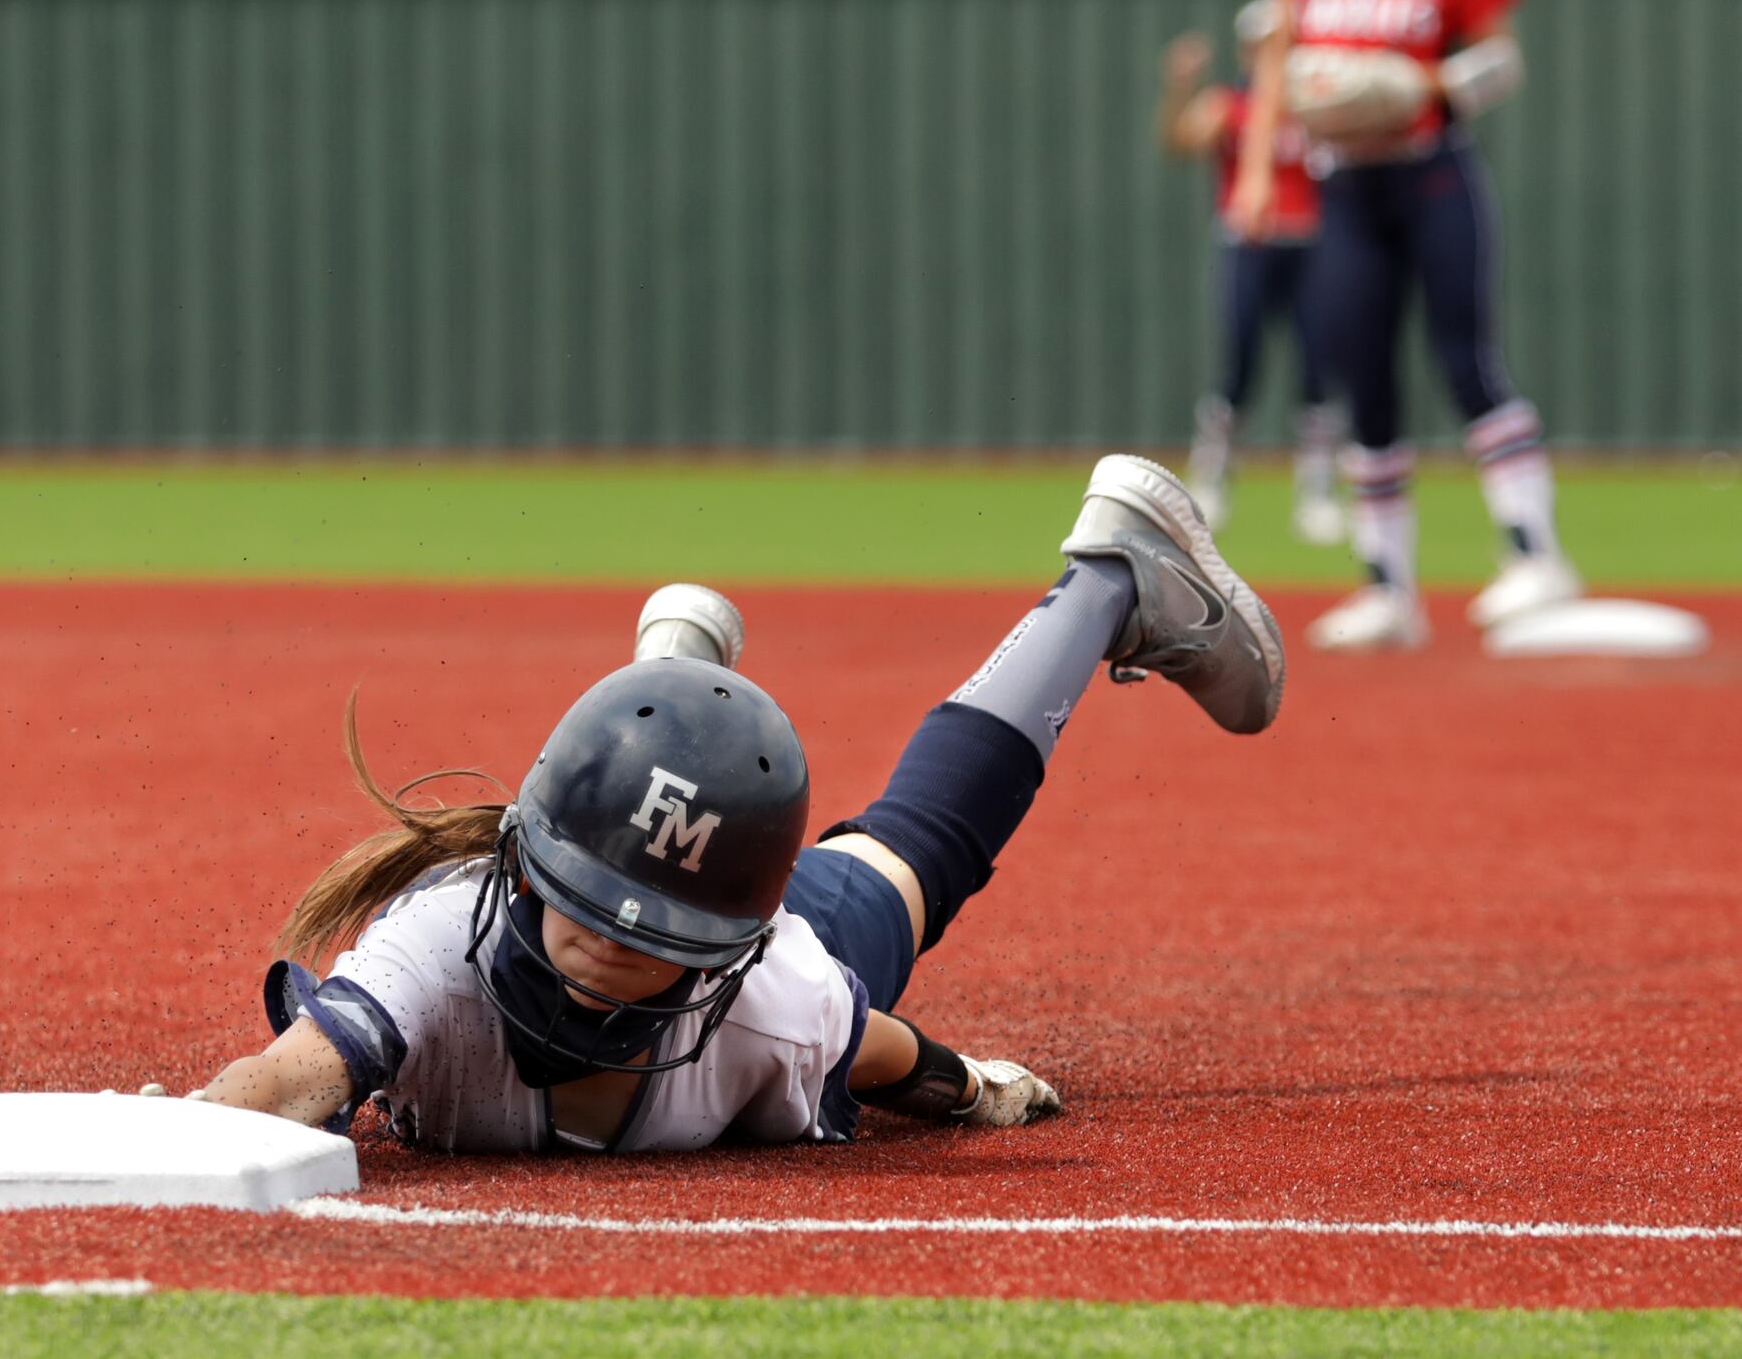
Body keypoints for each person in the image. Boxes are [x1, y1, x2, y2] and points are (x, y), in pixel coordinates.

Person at [179, 458, 1282, 1151]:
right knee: (772, 837)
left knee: (920, 854)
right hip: (710, 888)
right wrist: (185, 1133)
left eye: (644, 936)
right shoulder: (435, 952)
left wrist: (977, 1088)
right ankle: (675, 680)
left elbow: (888, 1054)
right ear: (521, 870)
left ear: (727, 954)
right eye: (592, 908)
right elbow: (292, 1076)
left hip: (739, 889)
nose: (612, 948)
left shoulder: (778, 992)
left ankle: (1111, 577)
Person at [1234, 0, 1575, 653]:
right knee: (1363, 380)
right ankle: (1387, 588)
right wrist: (1255, 169)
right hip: (1345, 187)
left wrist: (1424, 83)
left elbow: (1500, 60)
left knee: (1466, 358)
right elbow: (1275, 65)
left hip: (1430, 176)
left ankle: (1533, 555)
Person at [1158, 4, 1344, 543]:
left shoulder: (1316, 109)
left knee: (1318, 369)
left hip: (1311, 244)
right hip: (1250, 244)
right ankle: (1211, 480)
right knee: (1239, 365)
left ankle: (1318, 492)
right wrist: (1177, 87)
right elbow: (1178, 141)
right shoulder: (1230, 105)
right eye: (1260, 45)